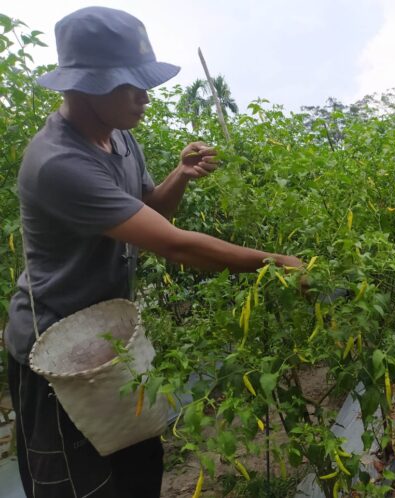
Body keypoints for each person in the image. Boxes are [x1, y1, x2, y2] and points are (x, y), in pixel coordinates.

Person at [3, 6, 302, 498]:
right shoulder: (59, 163)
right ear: (84, 84)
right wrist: (274, 263)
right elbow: (172, 244)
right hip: (54, 350)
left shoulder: (119, 138)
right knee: (78, 486)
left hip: (112, 337)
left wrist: (178, 176)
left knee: (140, 466)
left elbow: (150, 213)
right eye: (131, 85)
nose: (146, 97)